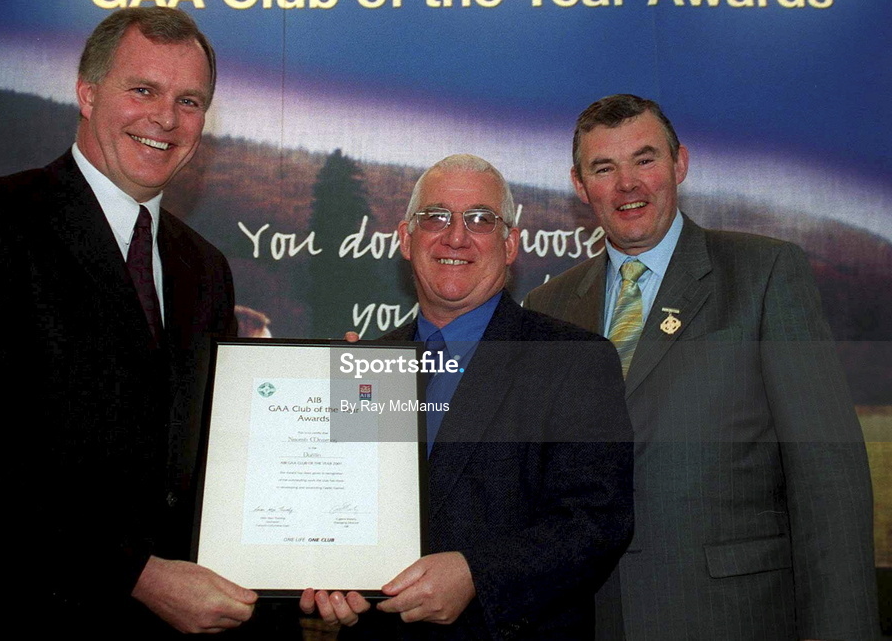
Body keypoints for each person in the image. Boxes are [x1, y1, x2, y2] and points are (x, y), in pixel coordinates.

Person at [0, 7, 257, 637]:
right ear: (87, 93)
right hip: (7, 616)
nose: (166, 118)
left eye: (190, 100)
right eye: (143, 90)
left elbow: (208, 451)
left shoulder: (205, 268)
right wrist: (136, 575)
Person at [524, 94, 878, 640]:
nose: (628, 185)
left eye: (644, 159)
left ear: (679, 164)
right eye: (604, 168)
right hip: (591, 620)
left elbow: (828, 476)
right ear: (579, 185)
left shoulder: (764, 275)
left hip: (733, 616)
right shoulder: (550, 306)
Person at [303, 154, 634, 639]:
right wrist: (328, 578)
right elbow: (339, 513)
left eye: (480, 220)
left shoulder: (573, 361)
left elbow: (596, 522)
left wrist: (479, 575)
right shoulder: (363, 365)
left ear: (510, 243)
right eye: (435, 217)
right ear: (404, 238)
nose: (455, 236)